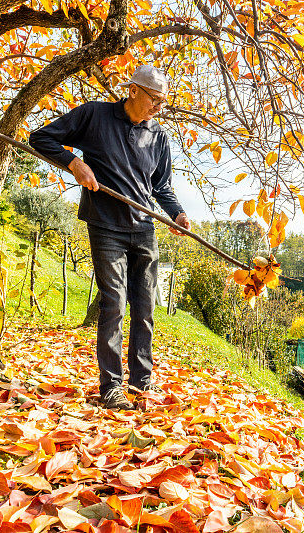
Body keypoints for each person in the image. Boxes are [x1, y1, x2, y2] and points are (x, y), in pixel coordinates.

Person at [29, 65, 190, 410]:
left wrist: (177, 213)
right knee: (113, 304)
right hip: (105, 225)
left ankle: (141, 383)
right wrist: (73, 163)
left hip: (144, 227)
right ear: (133, 91)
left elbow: (160, 186)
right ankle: (111, 387)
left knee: (145, 309)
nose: (159, 108)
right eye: (155, 99)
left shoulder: (158, 137)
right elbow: (40, 137)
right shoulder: (95, 116)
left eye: (164, 102)